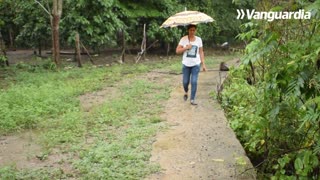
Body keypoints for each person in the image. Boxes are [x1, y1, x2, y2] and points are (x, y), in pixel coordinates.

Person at [176, 24, 207, 105]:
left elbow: (201, 52)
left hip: (196, 64)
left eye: (193, 30)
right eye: (190, 30)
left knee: (194, 82)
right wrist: (186, 48)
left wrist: (203, 64)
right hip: (186, 64)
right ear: (188, 30)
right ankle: (186, 91)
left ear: (195, 30)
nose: (192, 32)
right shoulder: (183, 39)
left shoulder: (199, 40)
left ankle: (192, 99)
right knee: (185, 82)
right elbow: (177, 51)